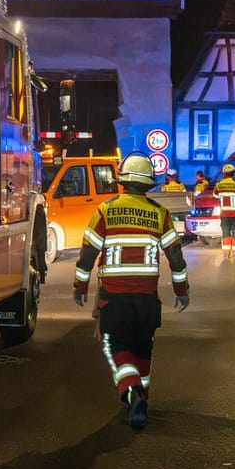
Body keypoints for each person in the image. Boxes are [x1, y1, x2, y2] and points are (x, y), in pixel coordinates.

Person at [73, 154, 189, 431]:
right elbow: (176, 258)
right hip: (148, 299)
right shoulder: (160, 214)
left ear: (122, 182)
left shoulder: (105, 210)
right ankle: (141, 404)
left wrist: (80, 287)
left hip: (114, 298)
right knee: (143, 350)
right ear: (148, 184)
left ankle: (132, 390)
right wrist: (181, 290)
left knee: (117, 349)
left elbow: (87, 254)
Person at [213, 163, 235, 262]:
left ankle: (226, 254)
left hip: (224, 214)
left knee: (226, 233)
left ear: (224, 174)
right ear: (233, 174)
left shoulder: (218, 185)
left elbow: (215, 195)